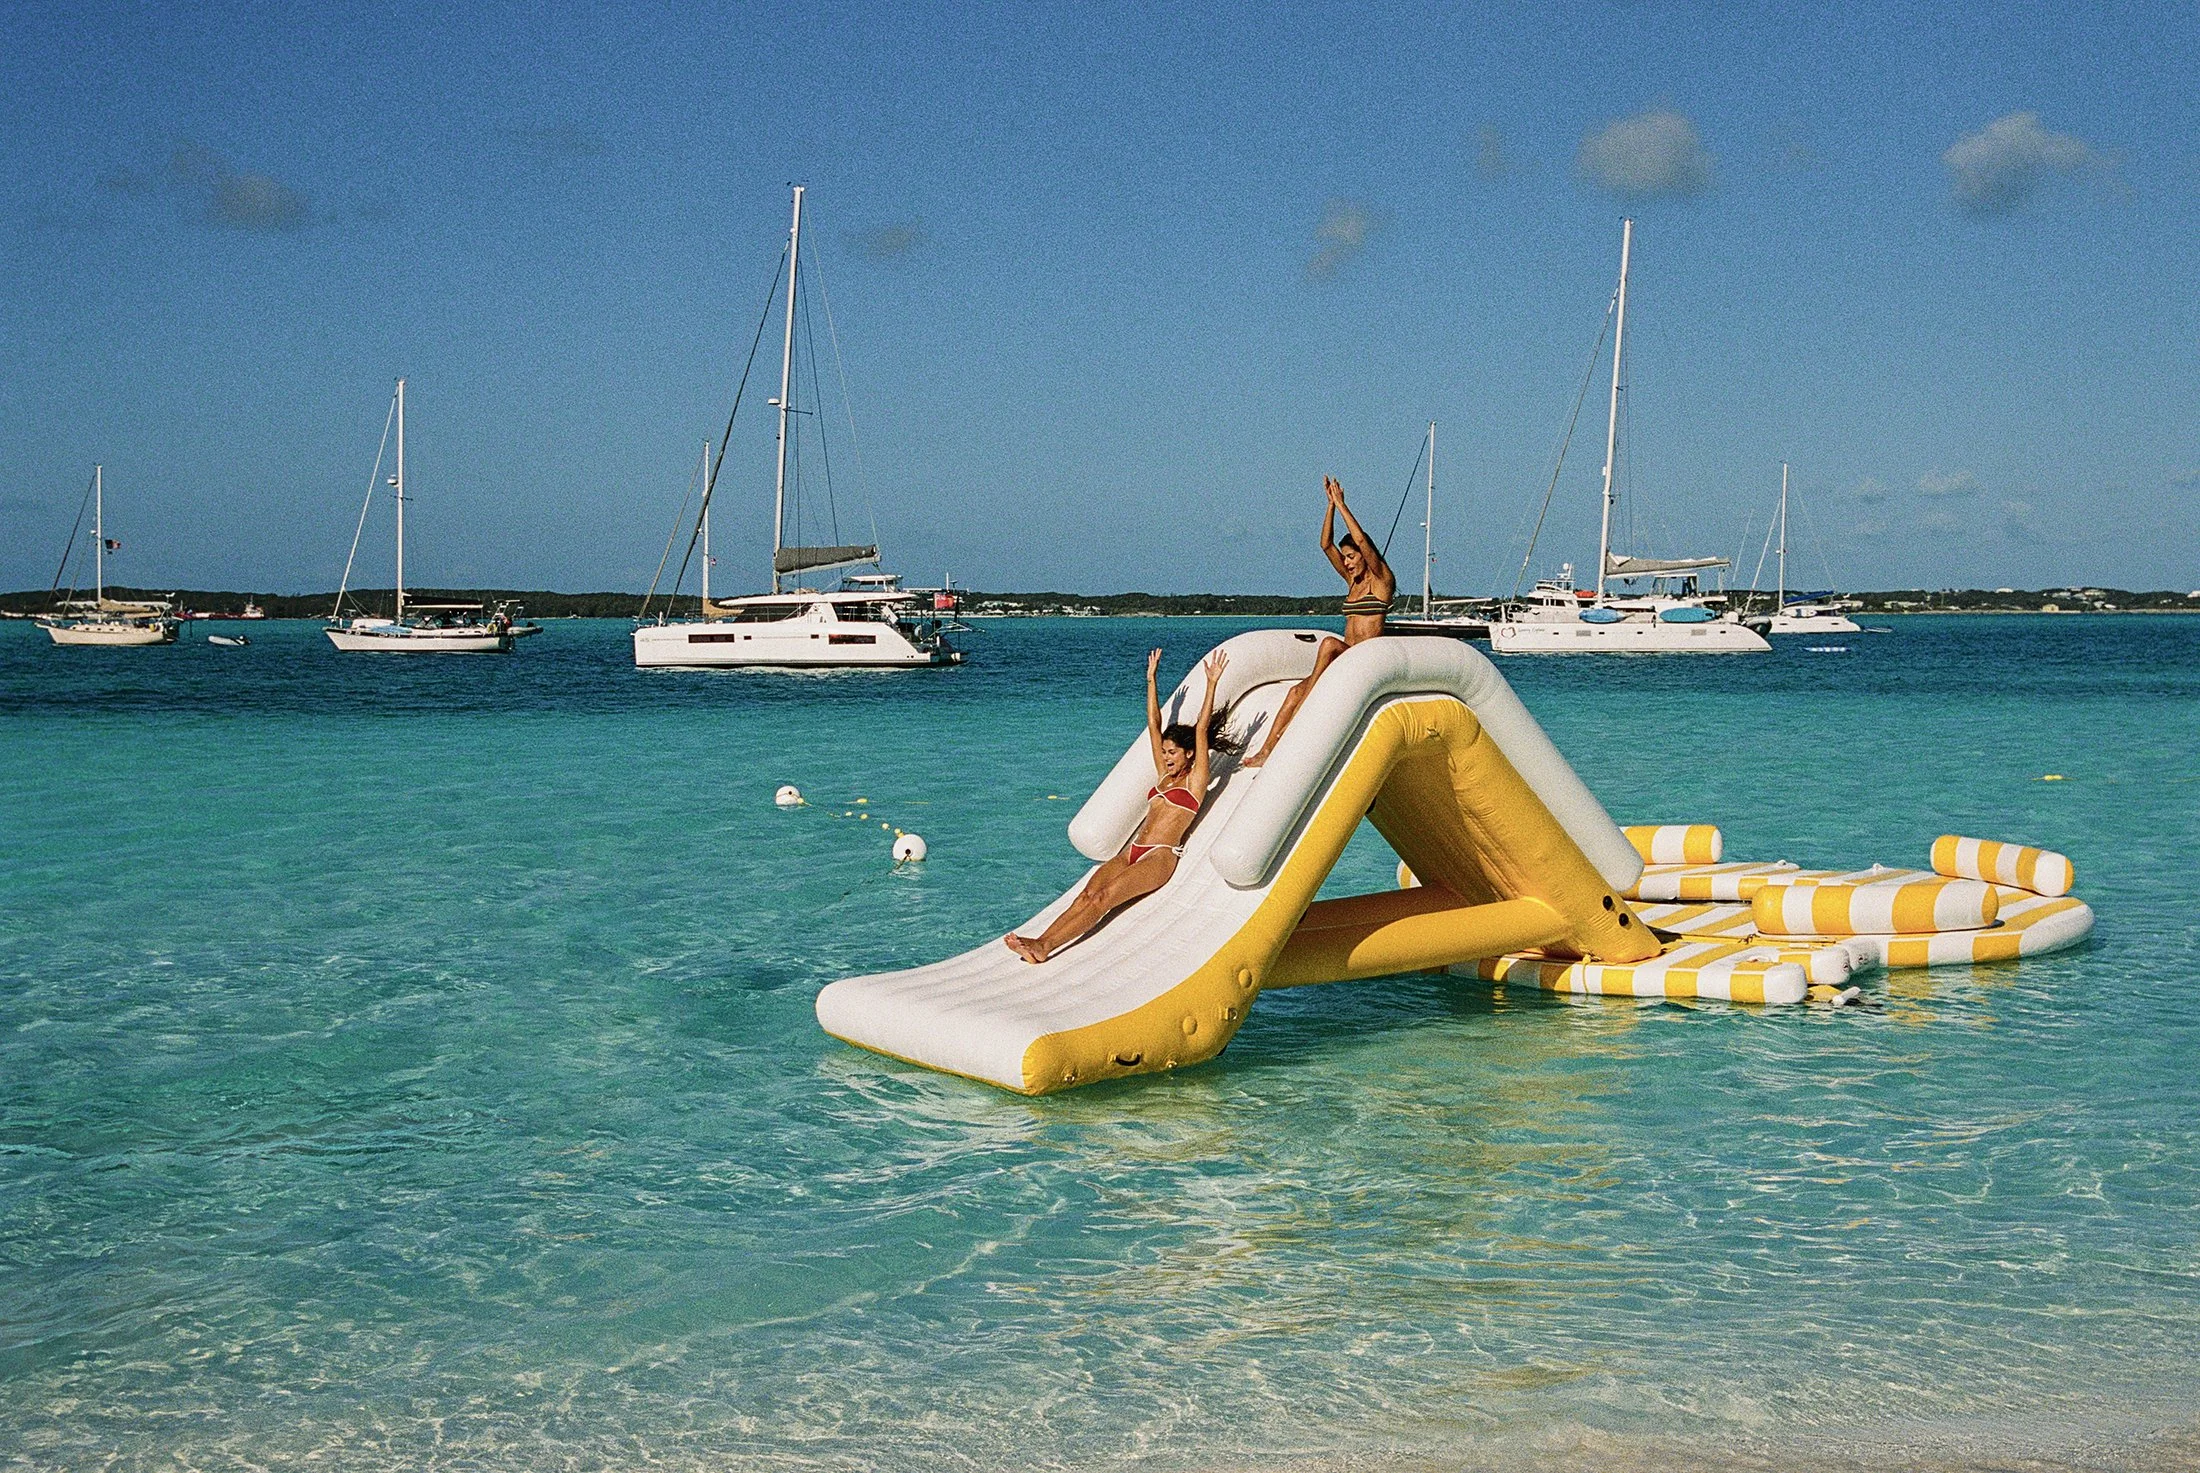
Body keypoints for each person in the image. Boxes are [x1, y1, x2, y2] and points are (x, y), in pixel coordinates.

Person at [1006, 648, 1233, 964]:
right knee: (1086, 895)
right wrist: (1151, 680)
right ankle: (1040, 940)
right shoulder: (1163, 776)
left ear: (1189, 754)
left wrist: (1211, 684)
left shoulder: (1195, 782)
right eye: (1164, 752)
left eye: (1172, 753)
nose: (1166, 757)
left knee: (1102, 899)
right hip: (1132, 851)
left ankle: (1046, 947)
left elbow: (1200, 730)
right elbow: (1153, 724)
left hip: (1159, 857)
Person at [1244, 476, 1393, 767]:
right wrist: (1330, 506)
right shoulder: (1352, 582)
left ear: (1365, 556)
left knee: (1327, 644)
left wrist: (1343, 505)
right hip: (1343, 657)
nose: (1347, 562)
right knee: (1293, 692)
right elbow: (1325, 545)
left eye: (1351, 557)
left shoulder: (1382, 582)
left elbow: (1362, 541)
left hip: (1364, 658)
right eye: (1345, 558)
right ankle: (1266, 751)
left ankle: (1300, 717)